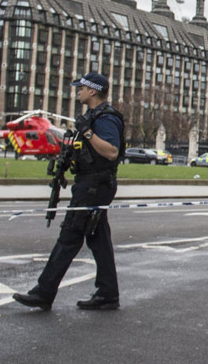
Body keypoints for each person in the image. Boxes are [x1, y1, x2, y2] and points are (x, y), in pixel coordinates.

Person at [13, 72, 125, 311]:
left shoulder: (105, 118)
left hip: (95, 186)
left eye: (81, 88)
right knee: (98, 238)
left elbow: (111, 152)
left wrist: (87, 133)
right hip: (89, 182)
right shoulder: (93, 117)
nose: (78, 91)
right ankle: (108, 292)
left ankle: (44, 292)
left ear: (92, 91)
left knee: (69, 236)